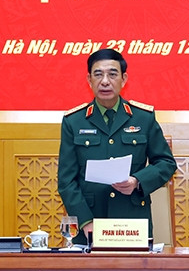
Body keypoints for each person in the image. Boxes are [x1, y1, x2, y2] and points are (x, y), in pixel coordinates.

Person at [57, 49, 177, 245]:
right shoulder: (74, 121)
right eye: (98, 74)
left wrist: (137, 181)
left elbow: (166, 163)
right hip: (90, 226)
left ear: (124, 79)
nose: (105, 81)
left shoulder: (143, 117)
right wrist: (85, 221)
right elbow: (66, 180)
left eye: (112, 74)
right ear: (89, 80)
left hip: (132, 224)